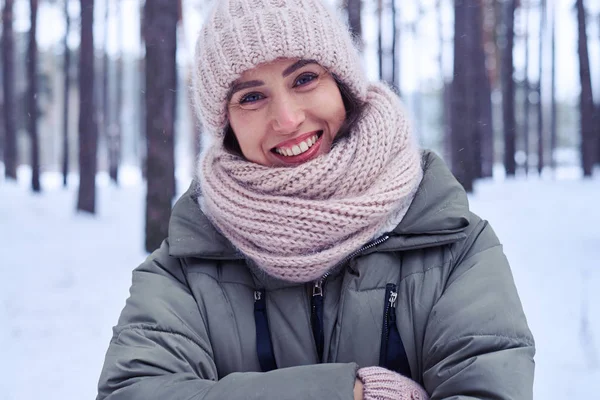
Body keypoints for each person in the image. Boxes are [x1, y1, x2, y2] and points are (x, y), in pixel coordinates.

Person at [96, 0, 535, 399]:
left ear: (342, 84)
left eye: (305, 78)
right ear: (226, 124)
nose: (287, 119)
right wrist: (351, 394)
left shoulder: (450, 239)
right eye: (251, 97)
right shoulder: (187, 265)